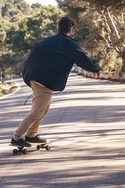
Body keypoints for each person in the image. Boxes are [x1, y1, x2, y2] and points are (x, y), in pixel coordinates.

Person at [11, 16, 100, 147]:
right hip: (44, 81)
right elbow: (82, 58)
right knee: (37, 112)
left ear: (58, 28)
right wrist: (95, 67)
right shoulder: (68, 43)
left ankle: (32, 135)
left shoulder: (47, 41)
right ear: (71, 30)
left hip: (34, 78)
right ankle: (17, 137)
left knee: (43, 110)